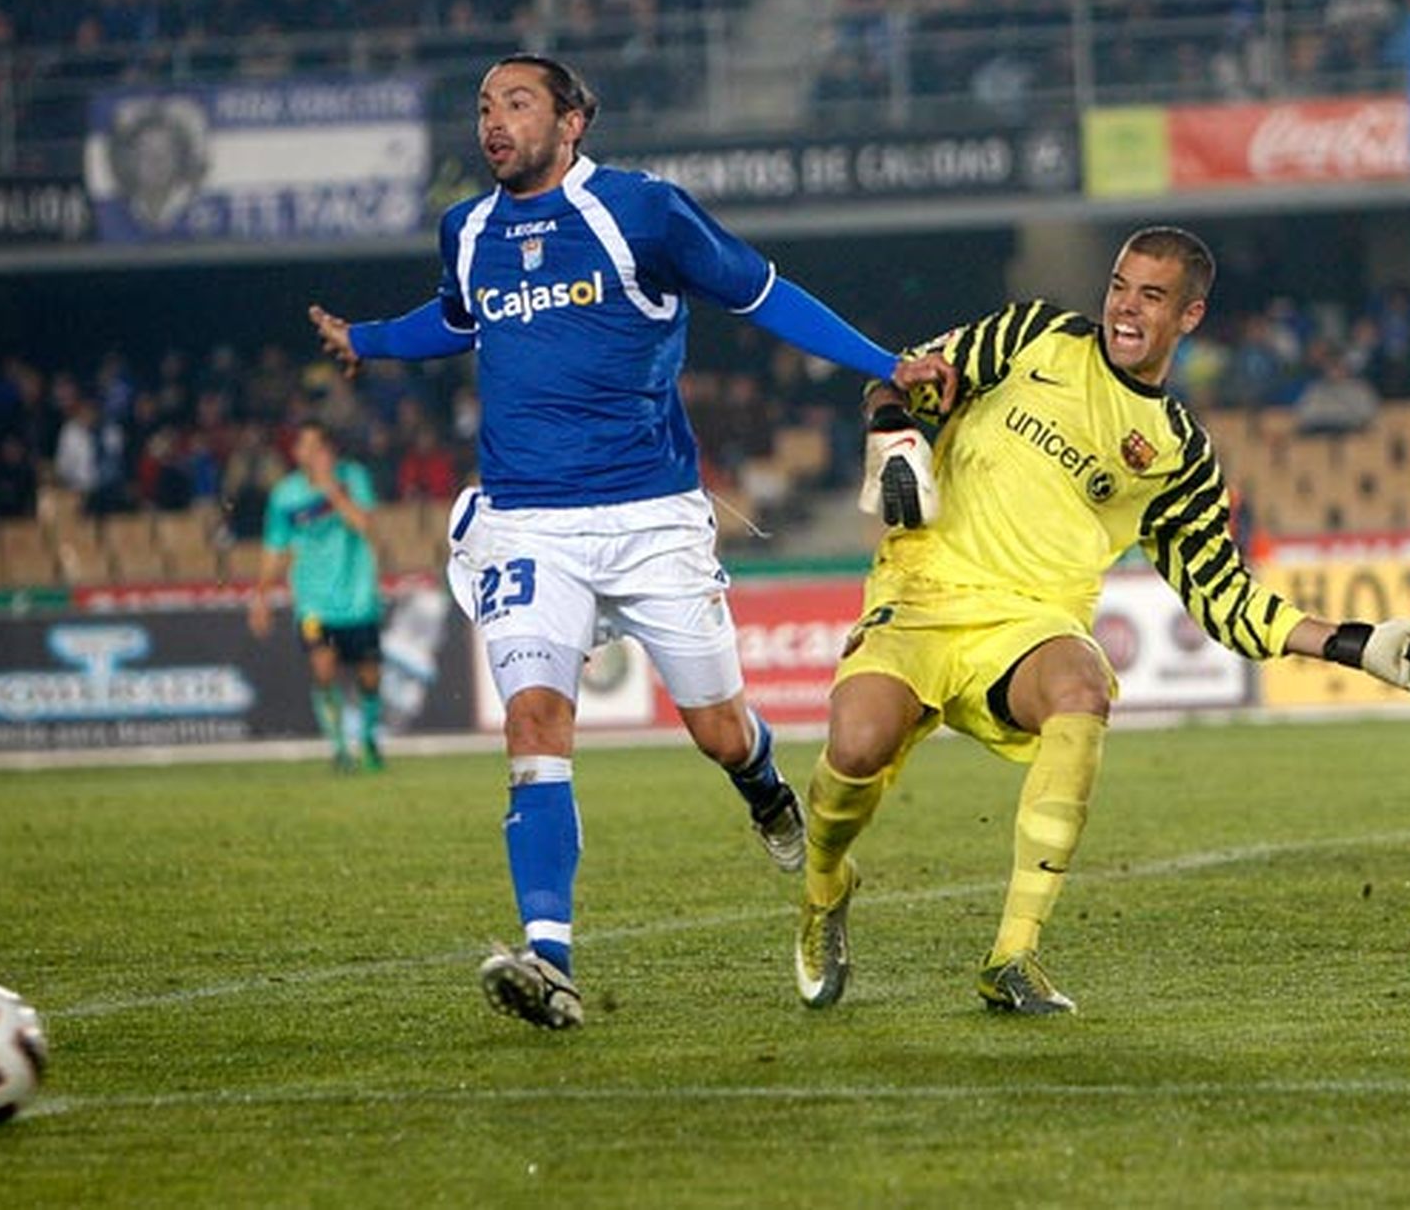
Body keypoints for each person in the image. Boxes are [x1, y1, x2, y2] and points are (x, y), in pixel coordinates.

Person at [307, 53, 947, 1030]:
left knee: (718, 727)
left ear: (573, 121)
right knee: (533, 721)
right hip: (526, 520)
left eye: (517, 102)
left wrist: (884, 362)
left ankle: (764, 788)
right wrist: (370, 339)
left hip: (651, 520)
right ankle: (550, 957)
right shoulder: (467, 228)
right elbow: (454, 318)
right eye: (483, 105)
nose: (493, 120)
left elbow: (762, 292)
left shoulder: (643, 213)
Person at [794, 225, 1410, 1017]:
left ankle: (1013, 956)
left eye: (1151, 296)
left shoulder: (1179, 454)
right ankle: (826, 886)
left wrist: (1356, 643)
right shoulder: (1029, 334)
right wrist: (890, 427)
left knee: (1081, 689)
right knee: (856, 750)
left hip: (1031, 625)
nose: (1126, 308)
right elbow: (899, 375)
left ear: (1190, 316)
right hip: (924, 590)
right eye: (1119, 286)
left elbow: (1225, 596)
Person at [249, 418, 387, 774]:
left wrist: (331, 489)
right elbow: (274, 548)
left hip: (357, 598)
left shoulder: (352, 477)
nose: (308, 454)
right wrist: (261, 598)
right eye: (303, 447)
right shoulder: (285, 495)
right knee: (323, 670)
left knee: (369, 677)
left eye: (315, 446)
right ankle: (340, 750)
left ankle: (368, 740)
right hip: (312, 601)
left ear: (328, 450)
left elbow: (365, 525)